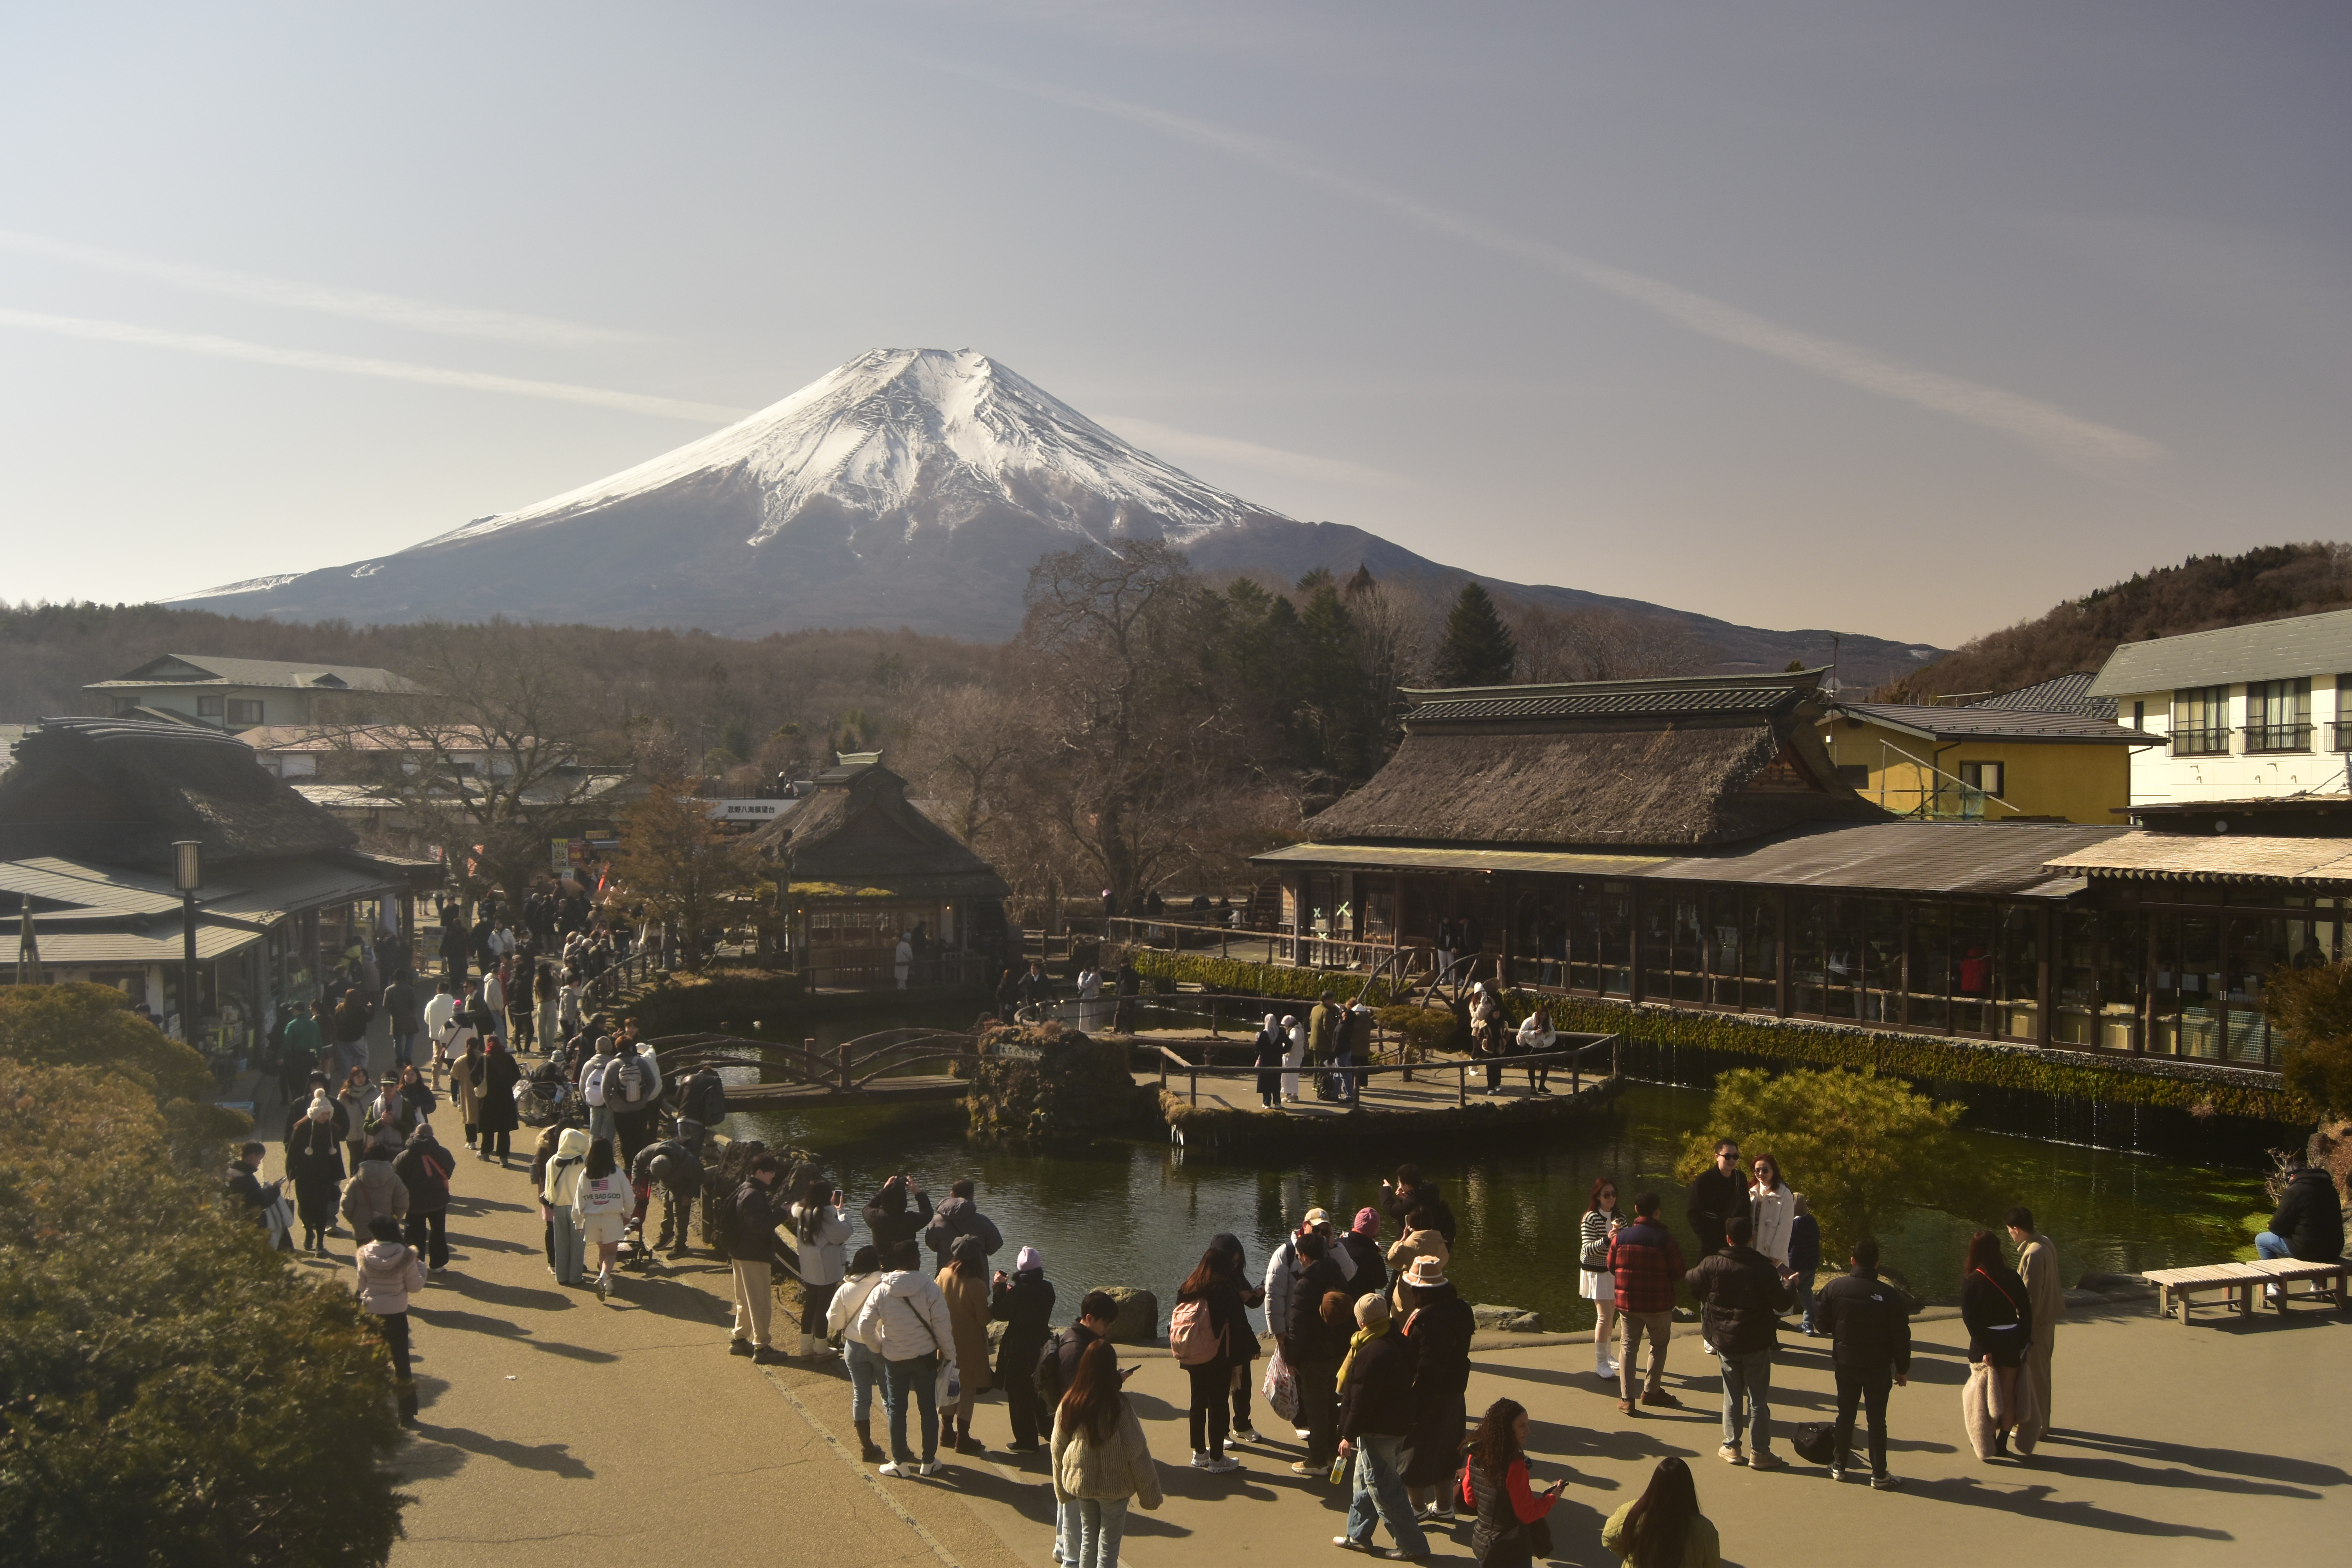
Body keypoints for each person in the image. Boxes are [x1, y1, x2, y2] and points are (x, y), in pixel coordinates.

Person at [1684, 1215, 1792, 1469]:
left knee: (1732, 1397)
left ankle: (1732, 1446)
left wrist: (1708, 1295)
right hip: (1756, 1341)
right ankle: (1761, 1452)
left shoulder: (1713, 1264)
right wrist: (1789, 1285)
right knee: (1758, 1399)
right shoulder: (1763, 1268)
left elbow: (1691, 1280)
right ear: (1751, 1238)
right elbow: (1783, 1303)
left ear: (1728, 1239)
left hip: (1725, 1339)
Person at [1334, 1292, 1428, 1562]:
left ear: (1362, 1321)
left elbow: (1360, 1402)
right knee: (1364, 1481)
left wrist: (1347, 1436)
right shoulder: (1399, 1340)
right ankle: (1358, 1536)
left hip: (1378, 1429)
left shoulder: (1370, 1353)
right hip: (1397, 1424)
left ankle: (1413, 1545)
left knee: (1384, 1489)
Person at [1051, 1338, 1162, 1568]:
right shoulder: (1118, 1404)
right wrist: (1150, 1494)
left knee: (1088, 1538)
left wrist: (1061, 1488)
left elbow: (1057, 1447)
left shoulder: (1071, 1402)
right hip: (1115, 1485)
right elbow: (1137, 1451)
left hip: (1082, 1483)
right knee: (1108, 1547)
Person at [1813, 1237, 1911, 1488]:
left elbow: (1821, 1324)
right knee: (1877, 1420)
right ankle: (1879, 1474)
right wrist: (1902, 1368)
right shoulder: (1889, 1295)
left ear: (1852, 1260)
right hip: (1878, 1365)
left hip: (1846, 1362)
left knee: (1845, 1415)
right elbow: (1901, 1335)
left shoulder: (1835, 1288)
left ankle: (1839, 1465)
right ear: (1877, 1264)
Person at [863, 1238, 959, 1477]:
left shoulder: (882, 1290)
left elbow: (866, 1325)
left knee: (897, 1409)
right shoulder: (929, 1288)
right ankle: (929, 1461)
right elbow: (942, 1327)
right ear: (916, 1260)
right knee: (928, 1408)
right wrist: (949, 1355)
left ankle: (899, 1463)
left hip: (894, 1359)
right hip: (925, 1358)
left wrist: (879, 1347)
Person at [1396, 1254, 1474, 1521]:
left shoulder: (1428, 1322)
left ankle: (1416, 1508)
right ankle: (1444, 1506)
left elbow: (1427, 1366)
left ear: (1421, 1291)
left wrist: (1413, 1401)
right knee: (1448, 1447)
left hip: (1427, 1393)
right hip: (1454, 1391)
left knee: (1414, 1452)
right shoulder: (1461, 1310)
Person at [1171, 1241, 1249, 1473]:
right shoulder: (1222, 1289)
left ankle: (1199, 1453)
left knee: (1197, 1402)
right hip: (1217, 1354)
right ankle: (1217, 1459)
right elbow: (1238, 1322)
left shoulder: (1188, 1286)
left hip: (1191, 1352)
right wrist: (1251, 1348)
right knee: (1218, 1403)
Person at [1461, 1398, 1561, 1568]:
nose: (1528, 1431)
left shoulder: (1475, 1455)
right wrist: (1552, 1498)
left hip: (1482, 1544)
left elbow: (1470, 1500)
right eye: (1522, 1426)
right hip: (1511, 1550)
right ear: (1507, 1430)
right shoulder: (1515, 1467)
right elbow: (1527, 1514)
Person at [1610, 1191, 1685, 1416]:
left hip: (1628, 1304)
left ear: (1635, 1210)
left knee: (1628, 1347)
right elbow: (1679, 1272)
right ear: (1658, 1211)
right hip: (1658, 1305)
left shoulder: (1621, 1238)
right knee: (1659, 1346)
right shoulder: (1666, 1240)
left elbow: (1612, 1266)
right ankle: (1651, 1391)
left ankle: (1626, 1398)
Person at [1960, 1229, 2033, 1458]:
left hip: (1986, 1342)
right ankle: (2002, 1442)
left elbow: (1971, 1320)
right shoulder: (2012, 1276)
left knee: (1987, 1395)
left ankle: (1988, 1441)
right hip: (2011, 1338)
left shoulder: (1972, 1281)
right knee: (2009, 1393)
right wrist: (2022, 1341)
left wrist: (1985, 1349)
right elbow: (2027, 1311)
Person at [1283, 1233, 1348, 1477]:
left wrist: (1290, 1358)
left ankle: (1318, 1460)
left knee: (1316, 1407)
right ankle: (1332, 1450)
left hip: (1314, 1355)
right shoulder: (1338, 1275)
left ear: (1305, 1257)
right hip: (1338, 1352)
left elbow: (1297, 1328)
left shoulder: (1305, 1284)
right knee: (1332, 1402)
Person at [356, 1214, 430, 1428]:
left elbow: (361, 1287)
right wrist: (422, 1269)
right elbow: (415, 1287)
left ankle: (372, 1409)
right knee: (401, 1362)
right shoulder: (406, 1256)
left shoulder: (364, 1255)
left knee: (373, 1364)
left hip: (372, 1313)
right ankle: (406, 1413)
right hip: (396, 1313)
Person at [990, 1245, 1058, 1452]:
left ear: (1020, 1269)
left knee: (1018, 1394)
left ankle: (1026, 1441)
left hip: (1018, 1347)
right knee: (1040, 1390)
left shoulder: (1018, 1292)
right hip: (1041, 1343)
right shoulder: (1047, 1289)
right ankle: (1050, 1432)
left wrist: (1000, 1289)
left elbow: (1001, 1313)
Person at [829, 1245, 891, 1461]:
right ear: (878, 1264)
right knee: (889, 1398)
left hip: (854, 1348)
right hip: (881, 1347)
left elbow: (835, 1322)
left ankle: (867, 1446)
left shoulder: (846, 1288)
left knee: (861, 1397)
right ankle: (900, 1448)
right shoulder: (886, 1285)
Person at [726, 1152, 789, 1363]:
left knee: (744, 1299)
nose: (773, 1176)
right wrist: (782, 1213)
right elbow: (759, 1226)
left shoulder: (745, 1189)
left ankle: (739, 1338)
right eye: (771, 1172)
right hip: (754, 1254)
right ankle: (762, 1347)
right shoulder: (754, 1194)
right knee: (760, 1302)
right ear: (760, 1172)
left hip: (741, 1252)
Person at [1601, 1456, 1719, 1568]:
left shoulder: (1632, 1511)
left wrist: (1633, 1555)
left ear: (1654, 1485)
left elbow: (1608, 1537)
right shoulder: (1705, 1530)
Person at [936, 1235, 995, 1453]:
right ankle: (963, 1438)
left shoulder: (944, 1274)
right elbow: (983, 1319)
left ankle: (946, 1432)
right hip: (970, 1346)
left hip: (946, 1341)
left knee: (948, 1387)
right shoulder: (977, 1285)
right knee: (966, 1391)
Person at [2005, 1207, 2063, 1425]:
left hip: (2037, 1323)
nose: (2010, 1235)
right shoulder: (2045, 1242)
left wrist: (2022, 1331)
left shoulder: (2033, 1254)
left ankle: (2036, 1427)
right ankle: (2042, 1423)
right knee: (2042, 1373)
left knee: (2034, 1376)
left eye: (2010, 1231)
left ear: (2016, 1229)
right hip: (2049, 1317)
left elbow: (2030, 1298)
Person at [2256, 1149, 2346, 1277]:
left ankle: (2274, 1285)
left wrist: (2274, 1227)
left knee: (2261, 1239)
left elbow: (2276, 1227)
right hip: (2334, 1250)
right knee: (2310, 1238)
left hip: (2308, 1251)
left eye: (2287, 1181)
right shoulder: (2330, 1189)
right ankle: (2317, 1285)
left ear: (2292, 1177)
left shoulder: (2295, 1191)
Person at [630, 1118, 708, 1256]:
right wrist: (636, 1182)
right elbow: (638, 1161)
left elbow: (700, 1175)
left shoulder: (688, 1162)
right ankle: (667, 1234)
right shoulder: (652, 1151)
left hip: (682, 1183)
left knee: (680, 1213)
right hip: (667, 1182)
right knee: (667, 1205)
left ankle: (680, 1245)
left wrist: (689, 1195)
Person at [285, 1090, 347, 1254]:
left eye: (328, 1114)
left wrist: (337, 1176)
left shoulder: (332, 1128)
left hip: (324, 1176)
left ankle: (320, 1242)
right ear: (315, 1113)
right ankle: (308, 1233)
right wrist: (291, 1172)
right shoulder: (301, 1129)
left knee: (321, 1209)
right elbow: (292, 1152)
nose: (325, 1117)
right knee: (305, 1209)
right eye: (322, 1113)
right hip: (305, 1175)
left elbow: (337, 1153)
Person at [575, 1136, 633, 1303]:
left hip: (592, 1219)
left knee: (602, 1251)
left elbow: (579, 1200)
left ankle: (608, 1286)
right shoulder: (617, 1172)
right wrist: (628, 1215)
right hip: (611, 1217)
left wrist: (578, 1221)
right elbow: (629, 1197)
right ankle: (602, 1280)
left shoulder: (586, 1173)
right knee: (611, 1253)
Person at [393, 1120, 456, 1272]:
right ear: (432, 1135)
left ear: (415, 1134)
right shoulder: (442, 1152)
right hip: (438, 1201)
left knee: (414, 1234)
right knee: (438, 1231)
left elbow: (397, 1178)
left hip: (414, 1203)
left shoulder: (404, 1156)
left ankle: (416, 1265)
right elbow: (449, 1169)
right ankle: (438, 1264)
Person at [338, 1136, 410, 1263]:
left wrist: (355, 1220)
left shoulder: (357, 1180)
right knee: (387, 1262)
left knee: (365, 1263)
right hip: (387, 1227)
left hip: (362, 1228)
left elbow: (345, 1204)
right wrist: (395, 1219)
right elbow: (403, 1203)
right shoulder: (394, 1179)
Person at [1581, 1177, 1624, 1383]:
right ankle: (1600, 1363)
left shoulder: (1620, 1217)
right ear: (1598, 1197)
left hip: (1613, 1270)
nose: (1611, 1198)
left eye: (1614, 1194)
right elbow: (1587, 1249)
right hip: (1595, 1271)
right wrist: (1608, 1238)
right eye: (1606, 1195)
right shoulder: (1590, 1218)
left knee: (1613, 1311)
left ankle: (1608, 1355)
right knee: (1604, 1315)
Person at [1685, 1140, 1749, 1266]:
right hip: (1710, 1241)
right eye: (1727, 1156)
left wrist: (1743, 1237)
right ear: (1717, 1157)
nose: (1732, 1160)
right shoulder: (1704, 1181)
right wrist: (1708, 1240)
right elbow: (1693, 1213)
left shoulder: (1740, 1178)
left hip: (1734, 1242)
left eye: (1736, 1157)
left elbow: (1746, 1208)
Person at [541, 1125, 590, 1284]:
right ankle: (576, 1277)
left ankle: (561, 1276)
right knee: (577, 1246)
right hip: (579, 1209)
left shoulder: (552, 1161)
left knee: (561, 1244)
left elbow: (549, 1188)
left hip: (559, 1207)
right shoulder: (584, 1162)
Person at [926, 1176, 1006, 1266]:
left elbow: (931, 1244)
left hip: (946, 1273)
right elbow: (995, 1246)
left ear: (952, 1195)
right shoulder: (983, 1222)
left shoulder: (937, 1221)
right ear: (972, 1197)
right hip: (978, 1275)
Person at [1387, 1205, 1451, 1316]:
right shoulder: (1440, 1244)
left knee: (1403, 1326)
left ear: (1411, 1225)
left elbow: (1390, 1260)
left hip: (1407, 1294)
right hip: (1433, 1293)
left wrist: (1401, 1240)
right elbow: (1444, 1262)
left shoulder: (1406, 1244)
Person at [1379, 1165, 1458, 1244]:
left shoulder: (1412, 1202)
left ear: (1407, 1186)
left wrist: (1386, 1189)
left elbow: (1391, 1209)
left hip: (1415, 1245)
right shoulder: (1432, 1191)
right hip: (1433, 1240)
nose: (1400, 1186)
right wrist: (1407, 1198)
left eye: (1400, 1183)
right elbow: (1417, 1201)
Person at [476, 1036, 522, 1163]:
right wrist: (508, 1084)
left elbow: (473, 1074)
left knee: (488, 1128)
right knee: (504, 1129)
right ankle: (503, 1157)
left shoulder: (484, 1059)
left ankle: (485, 1152)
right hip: (505, 1098)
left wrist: (480, 1085)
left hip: (488, 1098)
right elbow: (517, 1075)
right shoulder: (508, 1058)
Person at [864, 1174, 934, 1257]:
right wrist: (918, 1193)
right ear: (904, 1201)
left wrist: (884, 1191)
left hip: (883, 1265)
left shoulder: (875, 1218)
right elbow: (928, 1213)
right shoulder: (910, 1220)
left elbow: (867, 1207)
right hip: (906, 1264)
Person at [1747, 1155, 1794, 1269]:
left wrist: (1776, 1254)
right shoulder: (1751, 1191)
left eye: (1765, 1170)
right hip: (1752, 1244)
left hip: (1772, 1248)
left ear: (1774, 1170)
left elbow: (1785, 1227)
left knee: (1777, 1281)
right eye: (1757, 1170)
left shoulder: (1785, 1194)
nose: (1761, 1174)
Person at [1788, 1194, 1823, 1334]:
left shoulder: (1793, 1225)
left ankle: (1776, 1318)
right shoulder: (1812, 1222)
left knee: (1784, 1289)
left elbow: (1788, 1244)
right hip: (1811, 1264)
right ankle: (1808, 1324)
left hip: (1795, 1265)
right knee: (1807, 1293)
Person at [1337, 1208, 1386, 1304]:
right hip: (1362, 1306)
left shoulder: (1338, 1245)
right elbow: (1381, 1283)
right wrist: (1377, 1256)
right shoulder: (1373, 1257)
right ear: (1376, 1231)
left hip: (1338, 1303)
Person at [223, 1140, 275, 1229]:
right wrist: (276, 1189)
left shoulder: (231, 1170)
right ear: (252, 1156)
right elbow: (263, 1202)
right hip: (247, 1222)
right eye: (259, 1159)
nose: (259, 1163)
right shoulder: (246, 1178)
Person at [278, 1001, 321, 1107]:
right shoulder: (314, 1024)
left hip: (295, 1057)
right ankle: (309, 1102)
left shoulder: (292, 1025)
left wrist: (280, 1057)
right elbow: (319, 1042)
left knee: (296, 1082)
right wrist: (319, 1056)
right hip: (309, 1056)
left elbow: (286, 1043)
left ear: (295, 1011)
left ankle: (298, 1103)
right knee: (308, 1079)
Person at [336, 1064, 375, 1172]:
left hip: (369, 1133)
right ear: (352, 1078)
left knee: (369, 1159)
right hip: (352, 1134)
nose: (361, 1079)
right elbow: (337, 1112)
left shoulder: (373, 1092)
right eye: (358, 1077)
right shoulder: (344, 1094)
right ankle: (355, 1181)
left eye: (363, 1076)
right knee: (355, 1159)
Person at [449, 1033, 484, 1149]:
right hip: (482, 1091)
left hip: (466, 1092)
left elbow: (454, 1075)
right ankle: (486, 1143)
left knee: (469, 1117)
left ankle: (471, 1141)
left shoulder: (461, 1060)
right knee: (482, 1116)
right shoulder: (484, 1058)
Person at [1514, 1004, 1557, 1094]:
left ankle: (1542, 1086)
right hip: (1531, 1046)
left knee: (1546, 1065)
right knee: (1532, 1066)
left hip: (1542, 1047)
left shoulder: (1549, 1023)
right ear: (1539, 1014)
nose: (1543, 1018)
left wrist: (1544, 1043)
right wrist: (1534, 1033)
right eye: (1542, 1015)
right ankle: (1533, 1087)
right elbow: (1522, 1032)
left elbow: (1553, 1037)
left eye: (1545, 1016)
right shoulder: (1530, 1021)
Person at [382, 969, 419, 1070]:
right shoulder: (410, 989)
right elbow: (414, 1003)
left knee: (397, 1040)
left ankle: (399, 1059)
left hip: (396, 1018)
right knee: (410, 1037)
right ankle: (408, 1055)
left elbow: (386, 1005)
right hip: (409, 1017)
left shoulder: (389, 990)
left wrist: (393, 1012)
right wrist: (411, 1011)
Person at [1252, 1013, 1284, 1109]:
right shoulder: (1281, 1032)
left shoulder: (1264, 1033)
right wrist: (1282, 1051)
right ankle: (1277, 1102)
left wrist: (1258, 1041)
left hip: (1266, 1061)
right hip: (1277, 1060)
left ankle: (1267, 1103)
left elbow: (1257, 1048)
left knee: (1266, 1081)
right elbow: (1289, 1043)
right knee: (1276, 1081)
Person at [1279, 1014, 1304, 1103]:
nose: (1285, 1027)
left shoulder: (1295, 1031)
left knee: (1292, 1077)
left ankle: (1295, 1096)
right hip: (1293, 1056)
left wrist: (1283, 1048)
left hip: (1293, 1057)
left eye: (1285, 1025)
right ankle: (1288, 1094)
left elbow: (1291, 1042)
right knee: (1287, 1077)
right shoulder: (1298, 1030)